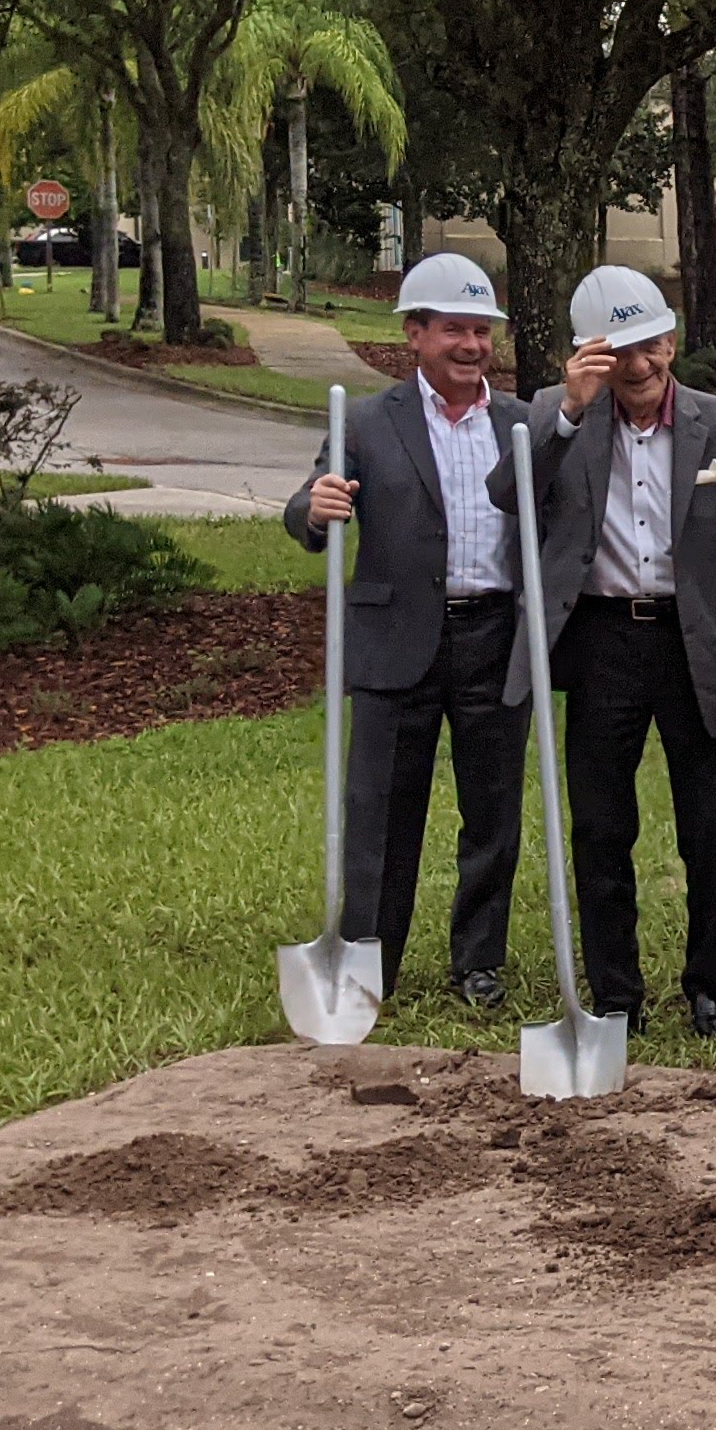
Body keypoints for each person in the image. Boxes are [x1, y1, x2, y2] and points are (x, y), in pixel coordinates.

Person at [487, 264, 716, 1036]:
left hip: (698, 646)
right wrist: (568, 416)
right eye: (621, 353)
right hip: (601, 640)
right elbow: (507, 493)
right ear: (592, 357)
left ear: (672, 341)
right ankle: (616, 994)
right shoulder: (557, 414)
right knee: (600, 824)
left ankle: (712, 988)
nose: (641, 366)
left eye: (652, 347)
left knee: (708, 829)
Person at [286, 251, 527, 1008]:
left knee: (493, 812)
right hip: (398, 641)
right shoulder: (364, 420)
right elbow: (308, 505)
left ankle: (479, 962)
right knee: (383, 812)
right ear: (415, 335)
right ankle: (368, 962)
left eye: (482, 332)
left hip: (495, 635)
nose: (471, 346)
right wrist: (314, 509)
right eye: (454, 330)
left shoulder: (519, 422)